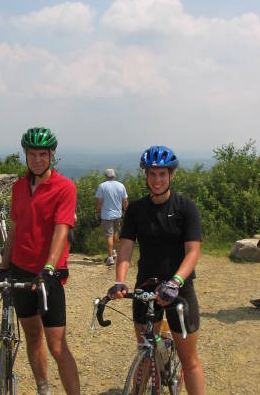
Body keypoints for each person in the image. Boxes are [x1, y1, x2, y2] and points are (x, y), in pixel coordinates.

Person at [108, 145, 205, 395]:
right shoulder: (137, 210)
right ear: (146, 176)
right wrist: (120, 280)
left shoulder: (186, 208)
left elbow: (193, 251)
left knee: (189, 360)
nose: (157, 179)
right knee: (145, 352)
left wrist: (174, 282)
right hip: (147, 288)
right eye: (152, 174)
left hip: (179, 289)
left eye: (162, 174)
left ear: (171, 174)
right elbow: (126, 247)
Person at [0, 126, 80, 395]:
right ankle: (43, 389)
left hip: (49, 275)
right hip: (20, 269)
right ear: (25, 154)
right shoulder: (19, 187)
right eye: (32, 154)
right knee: (32, 335)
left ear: (52, 154)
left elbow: (62, 229)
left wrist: (48, 268)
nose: (37, 160)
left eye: (42, 154)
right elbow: (16, 229)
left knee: (57, 346)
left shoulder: (65, 187)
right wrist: (3, 266)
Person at [95, 169, 128, 265]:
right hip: (118, 214)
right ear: (114, 176)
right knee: (115, 232)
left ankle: (110, 258)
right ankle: (113, 251)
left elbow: (99, 201)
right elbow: (125, 201)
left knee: (109, 236)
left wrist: (97, 212)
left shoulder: (102, 186)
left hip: (107, 215)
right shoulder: (121, 185)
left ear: (106, 176)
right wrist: (127, 211)